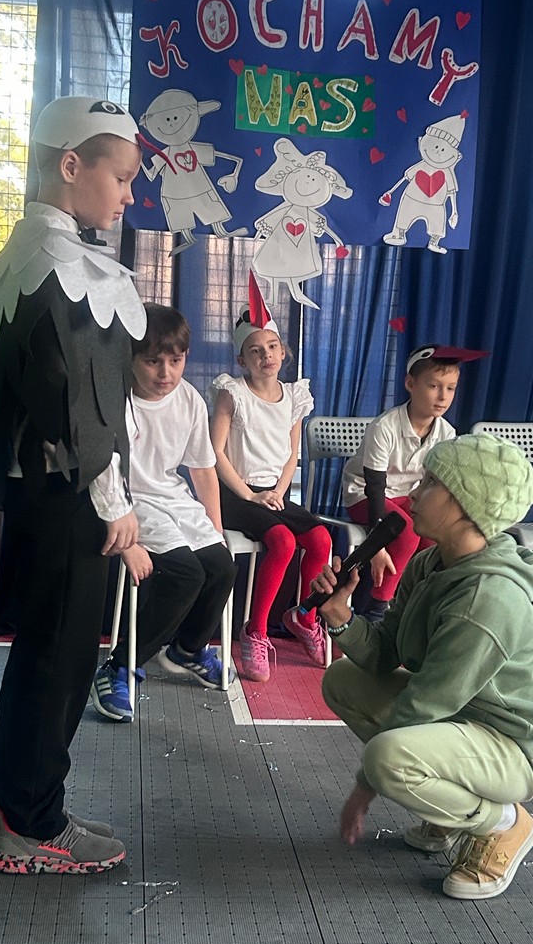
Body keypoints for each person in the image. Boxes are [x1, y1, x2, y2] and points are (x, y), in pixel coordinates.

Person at [0, 96, 146, 874]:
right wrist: (116, 506)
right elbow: (82, 406)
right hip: (73, 499)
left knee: (43, 651)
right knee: (61, 659)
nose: (129, 195)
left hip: (40, 495)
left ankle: (22, 804)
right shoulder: (68, 272)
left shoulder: (22, 256)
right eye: (122, 177)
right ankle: (31, 826)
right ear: (72, 166)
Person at [313, 433, 533, 901]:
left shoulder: (485, 600)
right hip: (461, 718)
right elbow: (384, 654)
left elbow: (424, 704)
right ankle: (449, 813)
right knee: (343, 680)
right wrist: (341, 618)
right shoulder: (430, 563)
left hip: (514, 746)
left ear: (468, 506)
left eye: (431, 482)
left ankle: (504, 823)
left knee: (386, 758)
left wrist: (362, 790)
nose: (414, 492)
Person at [90, 304, 236, 720]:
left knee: (221, 567)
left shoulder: (189, 398)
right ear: (131, 357)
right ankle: (119, 666)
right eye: (153, 361)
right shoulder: (114, 398)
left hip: (172, 498)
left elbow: (202, 469)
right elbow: (99, 473)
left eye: (176, 360)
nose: (165, 373)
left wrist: (214, 528)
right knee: (186, 574)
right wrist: (127, 544)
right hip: (128, 501)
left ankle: (187, 649)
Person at [210, 305, 333, 683]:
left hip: (274, 493)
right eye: (255, 350)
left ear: (283, 351)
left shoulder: (294, 396)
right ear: (242, 360)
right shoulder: (232, 393)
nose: (266, 355)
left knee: (321, 539)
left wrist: (279, 491)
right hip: (236, 495)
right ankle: (256, 631)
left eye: (272, 347)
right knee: (282, 542)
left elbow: (292, 454)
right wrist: (250, 495)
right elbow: (215, 453)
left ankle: (305, 616)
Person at [341, 344, 487, 621]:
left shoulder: (446, 432)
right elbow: (374, 487)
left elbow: (439, 485)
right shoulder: (384, 427)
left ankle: (415, 605)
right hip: (366, 495)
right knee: (406, 532)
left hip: (408, 496)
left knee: (434, 533)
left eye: (451, 388)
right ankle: (377, 609)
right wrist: (377, 545)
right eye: (434, 386)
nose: (443, 396)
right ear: (410, 384)